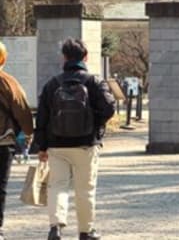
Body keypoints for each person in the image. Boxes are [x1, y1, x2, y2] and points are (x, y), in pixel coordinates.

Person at [35, 38, 115, 240]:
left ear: (64, 57)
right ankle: (86, 231)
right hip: (86, 144)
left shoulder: (52, 84)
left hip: (56, 144)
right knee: (85, 188)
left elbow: (42, 118)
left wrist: (41, 146)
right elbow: (109, 107)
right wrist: (94, 123)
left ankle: (56, 227)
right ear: (85, 57)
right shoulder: (94, 82)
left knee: (57, 185)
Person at [0, 42, 34, 240]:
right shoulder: (8, 82)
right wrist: (28, 134)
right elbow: (22, 110)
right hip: (3, 141)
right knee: (0, 186)